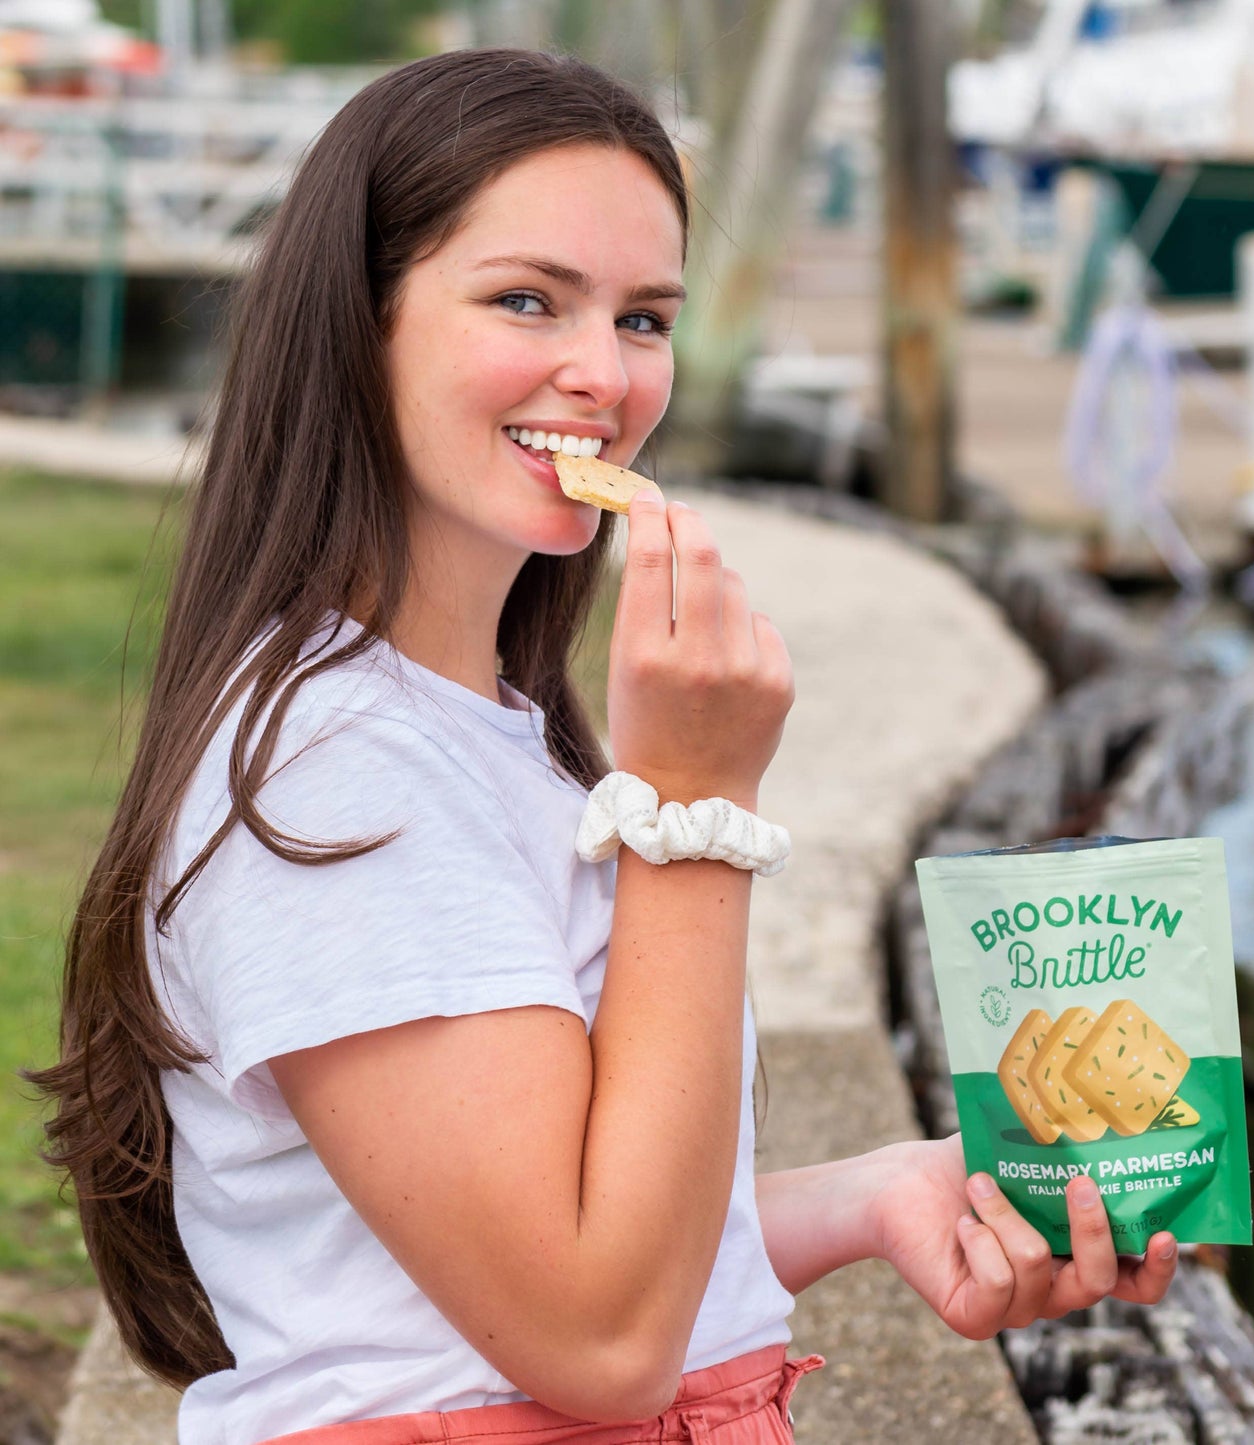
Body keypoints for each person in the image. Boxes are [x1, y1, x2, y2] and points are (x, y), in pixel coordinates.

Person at [31, 49, 1178, 1445]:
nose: (603, 372)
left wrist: (871, 1196)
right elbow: (595, 1336)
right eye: (526, 299)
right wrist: (694, 805)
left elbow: (537, 1228)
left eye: (643, 317)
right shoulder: (333, 777)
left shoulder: (485, 733)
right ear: (357, 322)